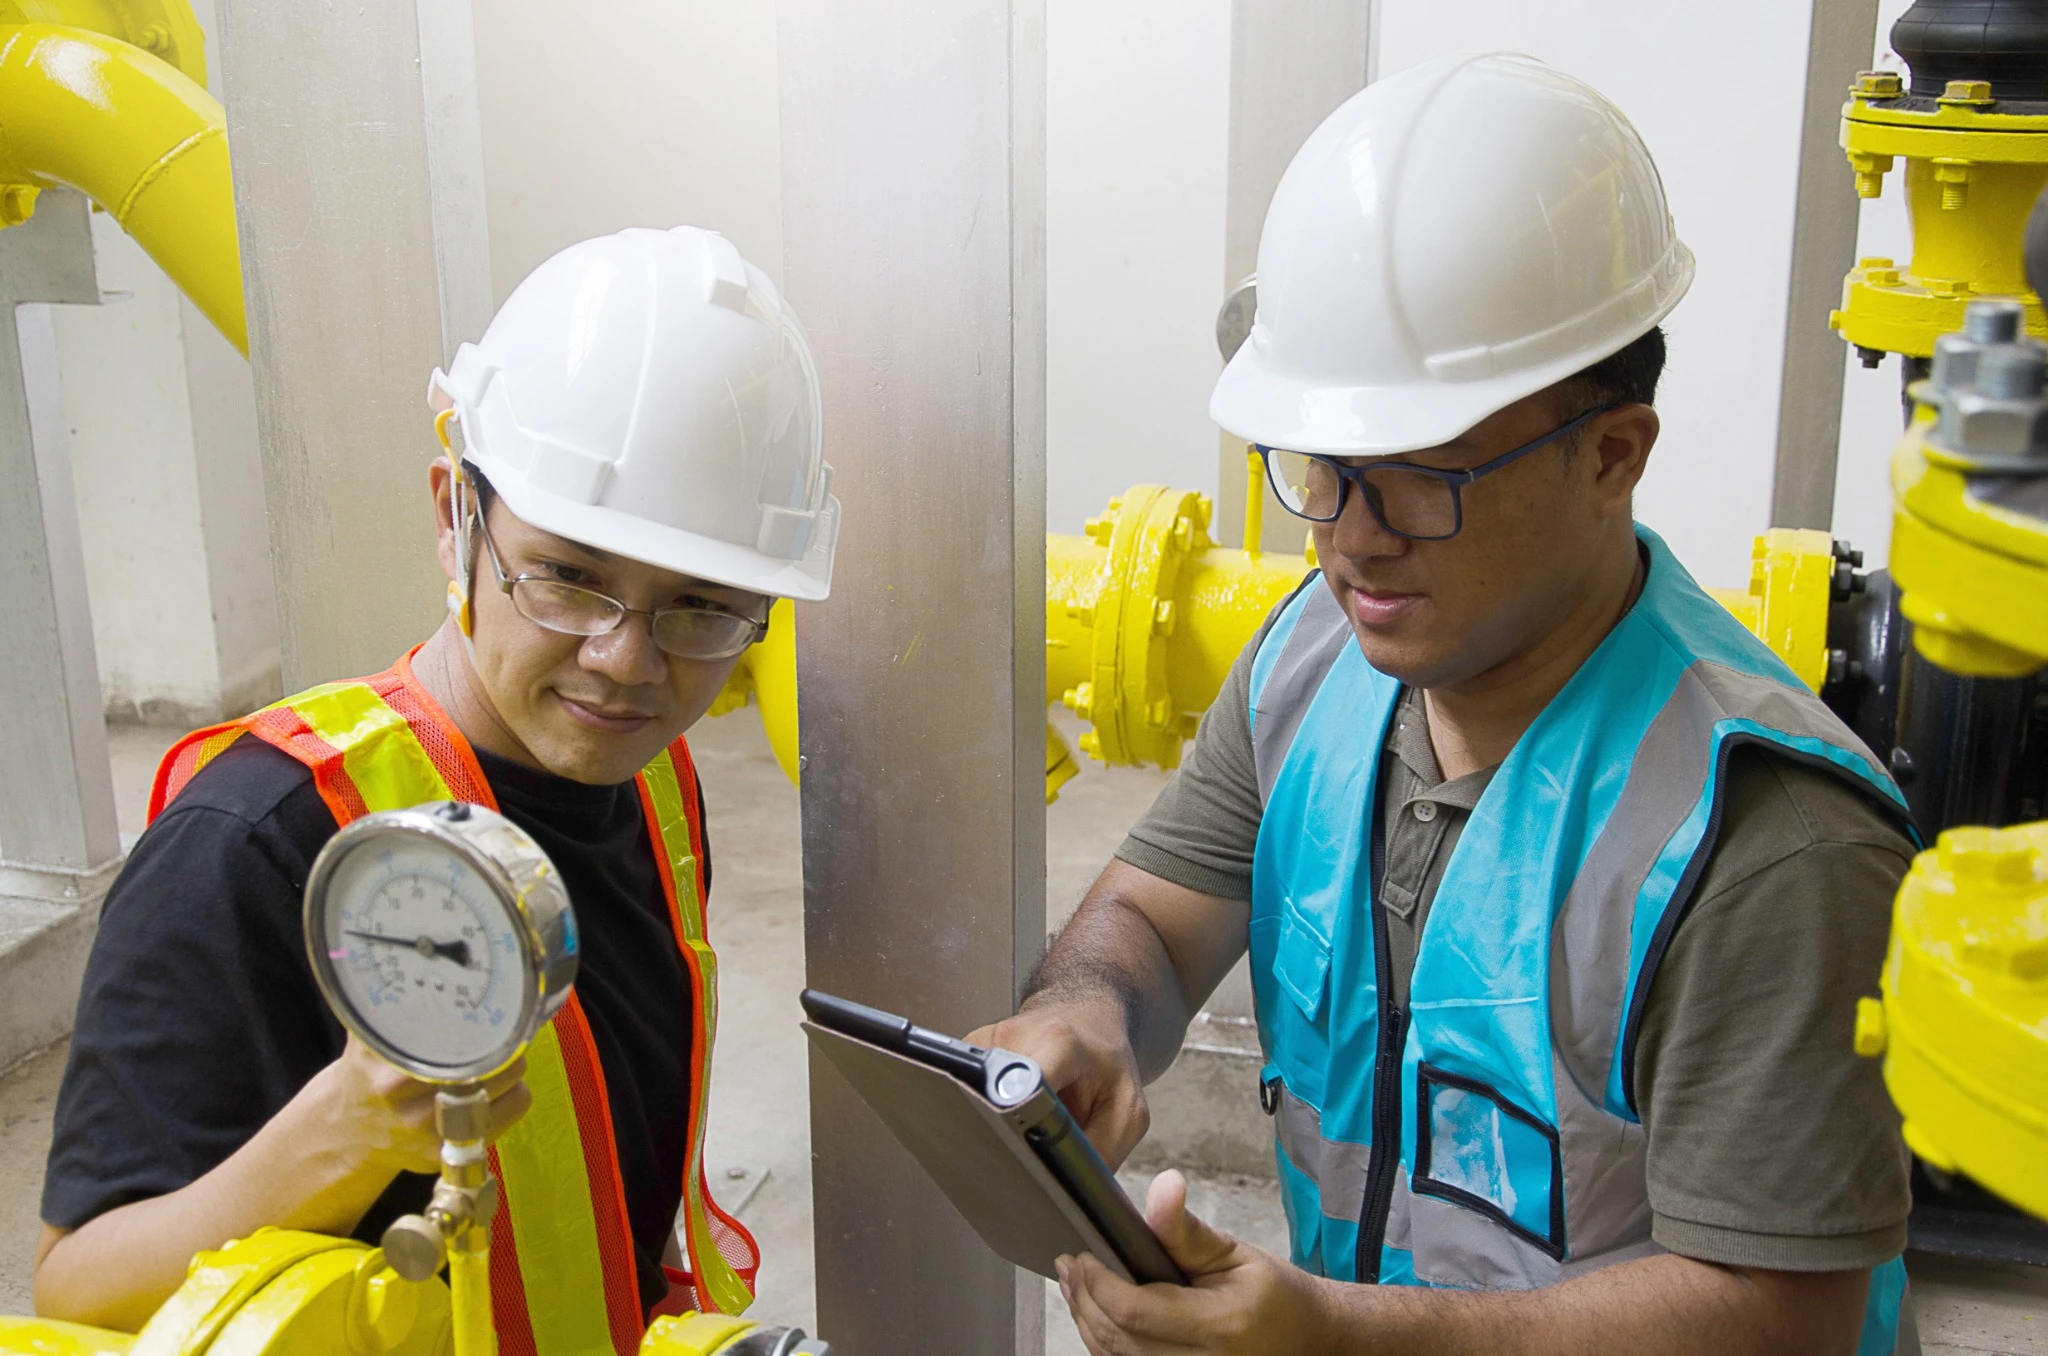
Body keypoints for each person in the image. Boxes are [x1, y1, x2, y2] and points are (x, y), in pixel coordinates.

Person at [983, 54, 1921, 1355]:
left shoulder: (1763, 838)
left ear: (1613, 454)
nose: (1352, 541)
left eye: (1424, 478)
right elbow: (1150, 912)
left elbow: (1782, 1315)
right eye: (1320, 466)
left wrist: (1344, 1341)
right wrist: (1084, 1016)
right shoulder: (1308, 661)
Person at [35, 225, 840, 1349]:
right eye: (565, 576)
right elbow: (79, 1291)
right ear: (452, 516)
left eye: (698, 605)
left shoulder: (656, 788)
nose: (625, 659)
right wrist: (339, 1135)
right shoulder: (257, 839)